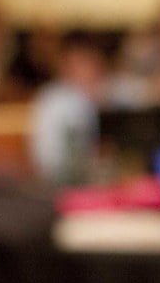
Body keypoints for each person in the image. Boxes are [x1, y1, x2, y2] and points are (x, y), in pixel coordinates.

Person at [30, 32, 105, 185]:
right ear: (65, 65)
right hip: (61, 186)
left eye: (90, 62)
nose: (88, 69)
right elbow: (49, 161)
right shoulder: (54, 100)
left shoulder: (102, 94)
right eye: (80, 63)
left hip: (92, 185)